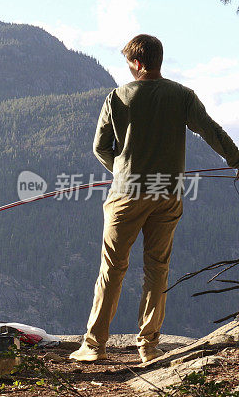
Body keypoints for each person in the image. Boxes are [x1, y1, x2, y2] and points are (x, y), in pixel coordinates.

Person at [70, 34, 239, 363]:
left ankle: (94, 346)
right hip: (167, 193)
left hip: (126, 193)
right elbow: (210, 129)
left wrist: (121, 170)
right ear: (158, 60)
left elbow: (100, 148)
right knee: (157, 269)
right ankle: (148, 345)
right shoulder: (182, 95)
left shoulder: (117, 96)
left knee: (113, 269)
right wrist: (237, 159)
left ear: (136, 63)